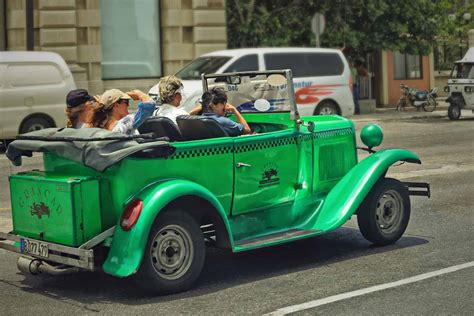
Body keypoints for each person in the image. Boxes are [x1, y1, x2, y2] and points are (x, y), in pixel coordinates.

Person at [89, 88, 155, 135]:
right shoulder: (124, 124)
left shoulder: (99, 125)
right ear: (116, 105)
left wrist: (104, 102)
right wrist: (140, 94)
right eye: (126, 102)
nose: (128, 105)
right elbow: (149, 106)